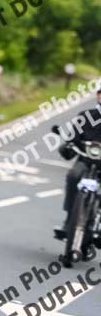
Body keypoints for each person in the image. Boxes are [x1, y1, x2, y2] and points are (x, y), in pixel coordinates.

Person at [58, 89, 101, 235]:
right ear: (98, 96)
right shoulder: (85, 116)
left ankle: (98, 224)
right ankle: (69, 218)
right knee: (73, 176)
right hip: (85, 160)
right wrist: (69, 145)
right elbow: (73, 138)